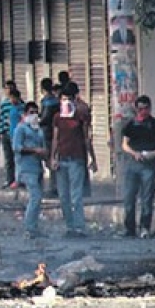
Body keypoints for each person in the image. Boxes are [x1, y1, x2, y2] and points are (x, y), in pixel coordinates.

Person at [51, 82, 97, 238]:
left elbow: (86, 138)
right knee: (63, 196)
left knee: (76, 195)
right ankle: (70, 226)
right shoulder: (57, 117)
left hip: (76, 159)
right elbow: (55, 139)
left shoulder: (80, 116)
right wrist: (53, 157)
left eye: (68, 99)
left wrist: (93, 158)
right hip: (62, 159)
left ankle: (79, 227)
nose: (65, 102)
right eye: (63, 99)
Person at [120, 96, 155, 239]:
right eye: (141, 109)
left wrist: (154, 153)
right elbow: (124, 144)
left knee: (147, 198)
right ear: (136, 109)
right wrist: (134, 153)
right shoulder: (130, 125)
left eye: (146, 108)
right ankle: (129, 229)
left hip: (149, 165)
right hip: (133, 164)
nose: (143, 111)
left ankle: (144, 227)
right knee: (129, 198)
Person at [13, 102, 48, 238]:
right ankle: (29, 228)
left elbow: (43, 148)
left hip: (38, 168)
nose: (34, 115)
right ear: (25, 114)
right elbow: (17, 148)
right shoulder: (21, 129)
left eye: (36, 113)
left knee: (38, 199)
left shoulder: (38, 131)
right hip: (26, 168)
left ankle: (34, 227)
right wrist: (34, 150)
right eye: (31, 112)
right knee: (35, 197)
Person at [38, 79, 61, 198]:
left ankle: (54, 187)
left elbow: (45, 118)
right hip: (55, 133)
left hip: (48, 134)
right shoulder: (57, 101)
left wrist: (37, 121)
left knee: (50, 160)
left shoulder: (48, 102)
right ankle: (55, 186)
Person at [0, 85, 24, 189]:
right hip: (8, 134)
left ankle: (19, 180)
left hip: (18, 136)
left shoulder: (22, 107)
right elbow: (2, 118)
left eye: (14, 98)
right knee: (9, 159)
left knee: (18, 159)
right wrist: (1, 131)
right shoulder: (5, 105)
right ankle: (10, 179)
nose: (12, 100)